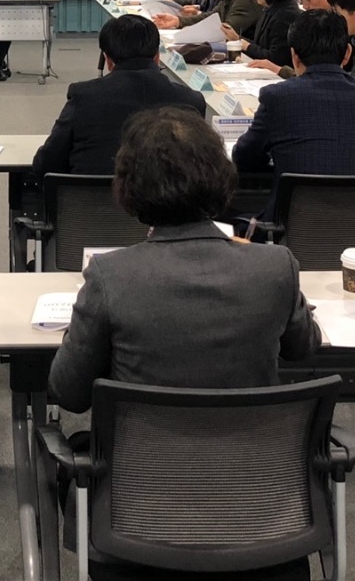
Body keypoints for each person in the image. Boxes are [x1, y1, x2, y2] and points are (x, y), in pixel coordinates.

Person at [48, 106, 321, 580]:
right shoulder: (275, 266)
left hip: (138, 515)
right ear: (220, 178)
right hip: (262, 507)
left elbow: (67, 392)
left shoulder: (111, 276)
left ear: (128, 189)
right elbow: (305, 347)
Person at [232, 10, 355, 222]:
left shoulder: (278, 97)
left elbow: (245, 156)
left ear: (294, 56)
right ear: (347, 53)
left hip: (292, 225)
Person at [32, 13, 205, 176]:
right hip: (166, 198)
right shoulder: (191, 102)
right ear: (157, 57)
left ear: (108, 60)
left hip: (94, 198)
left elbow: (46, 164)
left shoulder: (84, 96)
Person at [226, 0, 300, 68]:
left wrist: (245, 45)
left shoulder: (287, 15)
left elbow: (277, 58)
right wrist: (237, 39)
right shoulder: (271, 8)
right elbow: (260, 46)